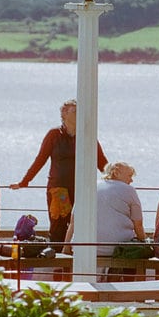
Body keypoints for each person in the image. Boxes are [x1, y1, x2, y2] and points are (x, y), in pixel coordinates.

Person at [13, 100, 108, 242]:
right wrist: (24, 181)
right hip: (58, 189)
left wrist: (117, 180)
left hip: (81, 189)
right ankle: (58, 261)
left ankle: (77, 262)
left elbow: (102, 163)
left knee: (82, 225)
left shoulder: (88, 136)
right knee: (59, 227)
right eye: (75, 111)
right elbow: (40, 160)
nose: (79, 114)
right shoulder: (54, 135)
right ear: (64, 114)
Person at [93, 161, 148, 274]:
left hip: (85, 248)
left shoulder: (91, 186)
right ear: (116, 173)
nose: (131, 180)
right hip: (116, 249)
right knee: (134, 252)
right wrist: (145, 242)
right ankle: (128, 287)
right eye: (129, 176)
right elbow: (138, 225)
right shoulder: (129, 190)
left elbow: (73, 222)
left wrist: (67, 248)